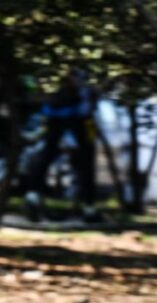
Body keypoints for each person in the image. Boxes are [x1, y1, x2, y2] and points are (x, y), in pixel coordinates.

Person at [24, 68, 101, 223]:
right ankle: (89, 207)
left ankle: (33, 194)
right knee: (86, 160)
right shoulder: (83, 68)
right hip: (78, 118)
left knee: (48, 153)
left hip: (60, 116)